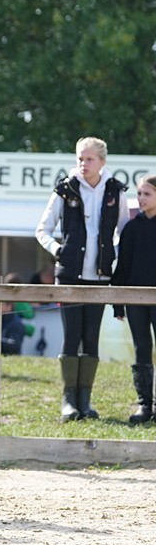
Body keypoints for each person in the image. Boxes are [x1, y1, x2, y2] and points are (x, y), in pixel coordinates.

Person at [36, 136, 128, 422]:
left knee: (90, 338)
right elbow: (42, 229)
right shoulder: (65, 190)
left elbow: (124, 231)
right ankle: (68, 401)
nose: (83, 164)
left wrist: (113, 254)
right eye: (79, 158)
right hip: (70, 277)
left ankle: (85, 401)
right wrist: (58, 250)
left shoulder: (115, 190)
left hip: (100, 277)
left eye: (89, 159)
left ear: (102, 162)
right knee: (71, 336)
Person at [112, 174, 156, 424]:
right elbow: (123, 267)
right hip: (135, 299)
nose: (141, 198)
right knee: (141, 349)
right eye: (139, 193)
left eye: (147, 194)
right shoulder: (131, 227)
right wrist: (118, 302)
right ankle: (144, 405)